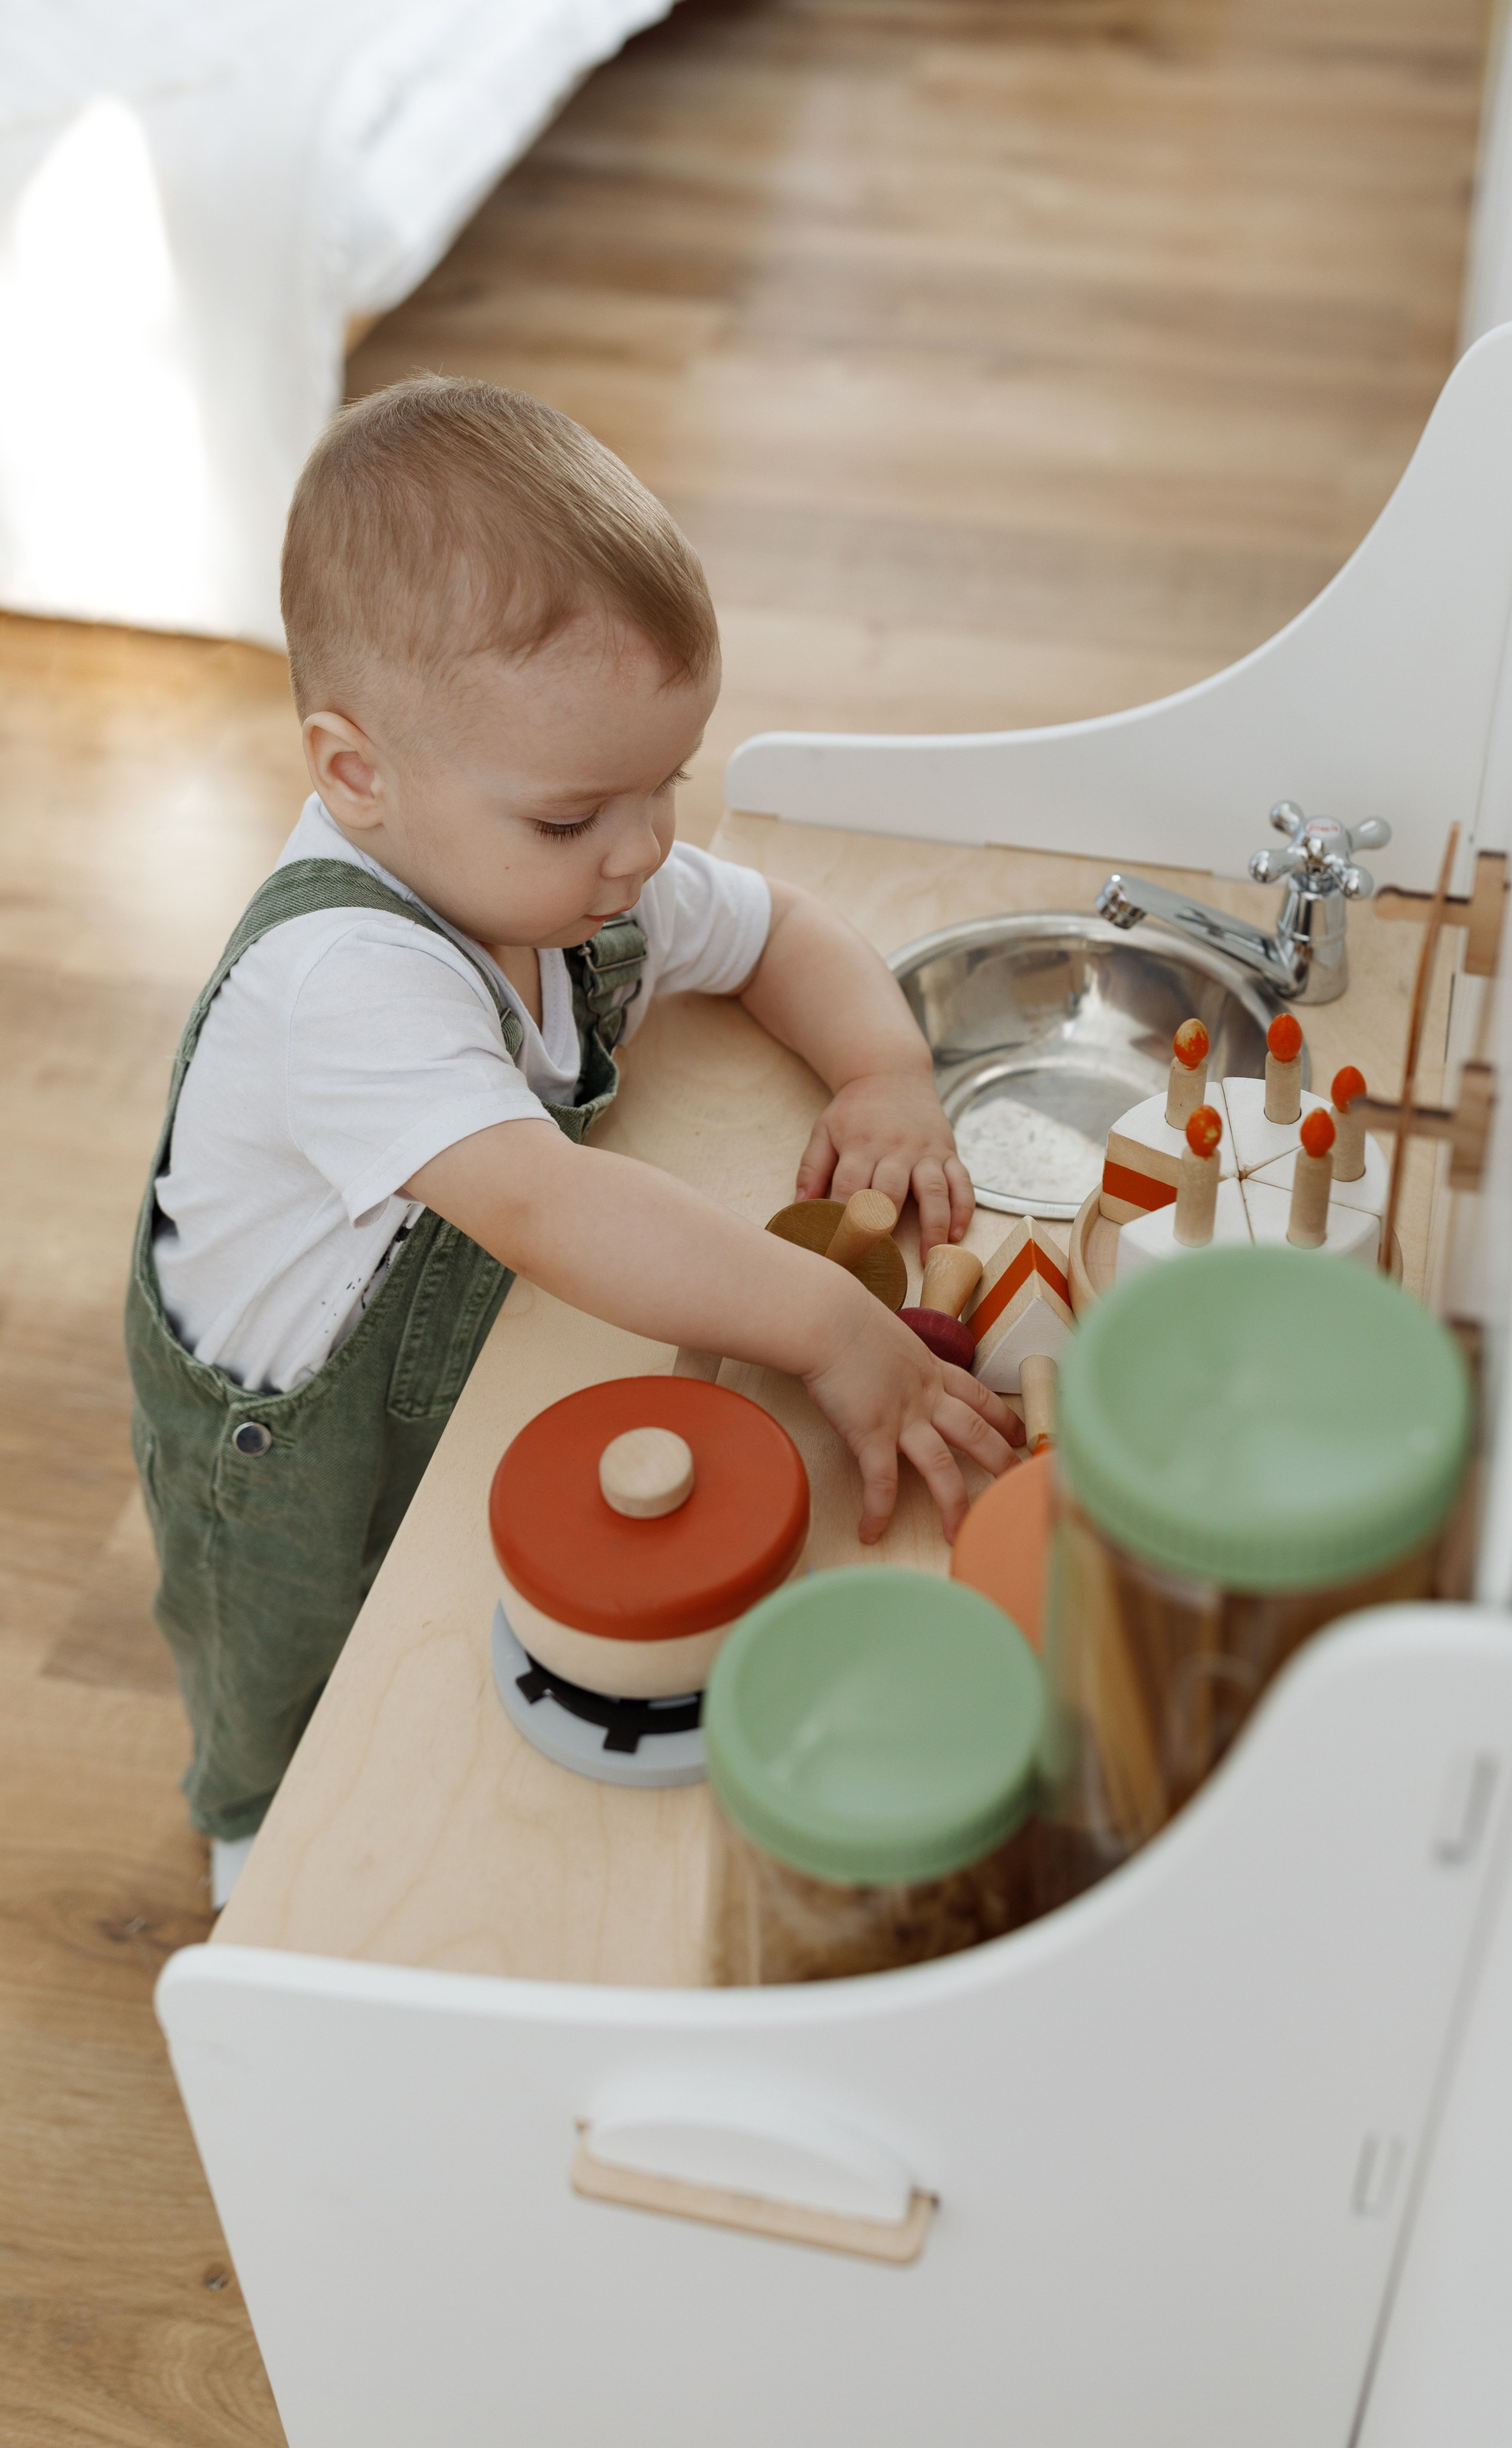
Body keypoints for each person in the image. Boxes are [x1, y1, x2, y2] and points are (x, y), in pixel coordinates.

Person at [126, 375, 1021, 1888]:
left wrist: (882, 1073)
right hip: (272, 1434)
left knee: (444, 1598)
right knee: (283, 1650)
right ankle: (255, 1849)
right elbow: (544, 1207)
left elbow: (775, 928)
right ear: (357, 775)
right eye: (573, 819)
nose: (643, 849)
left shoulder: (566, 859)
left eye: (663, 783)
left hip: (436, 1340)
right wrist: (818, 1315)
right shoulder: (343, 980)